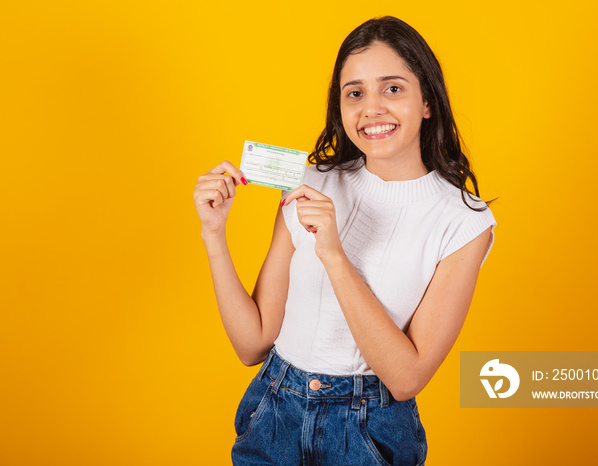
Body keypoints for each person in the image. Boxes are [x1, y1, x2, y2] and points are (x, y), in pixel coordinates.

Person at [193, 16, 496, 465]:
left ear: (427, 101)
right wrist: (214, 234)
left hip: (367, 432)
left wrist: (334, 254)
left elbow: (406, 378)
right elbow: (252, 343)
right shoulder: (309, 184)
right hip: (273, 414)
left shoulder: (463, 223)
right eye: (355, 93)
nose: (371, 108)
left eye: (392, 88)